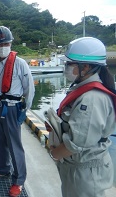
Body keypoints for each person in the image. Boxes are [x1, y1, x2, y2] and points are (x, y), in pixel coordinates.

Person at [48, 37, 116, 197]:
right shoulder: (83, 91)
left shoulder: (92, 98)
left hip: (86, 173)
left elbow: (77, 143)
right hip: (78, 168)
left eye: (69, 64)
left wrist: (53, 154)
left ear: (85, 67)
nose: (65, 67)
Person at [0, 26, 35, 197]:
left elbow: (29, 88)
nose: (2, 47)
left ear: (10, 43)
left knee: (15, 145)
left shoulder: (20, 63)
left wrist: (25, 109)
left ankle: (19, 180)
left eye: (5, 43)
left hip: (12, 108)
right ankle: (2, 169)